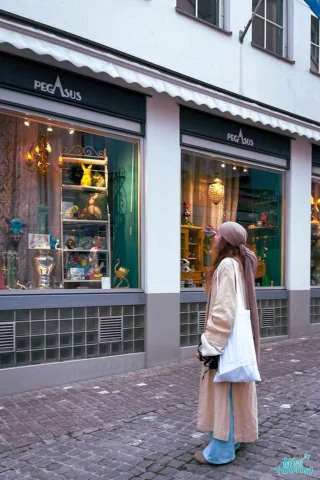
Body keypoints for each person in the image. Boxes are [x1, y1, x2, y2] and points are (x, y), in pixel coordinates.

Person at [195, 221, 260, 465]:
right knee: (233, 391)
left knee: (223, 393)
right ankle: (234, 438)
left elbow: (224, 310)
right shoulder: (240, 264)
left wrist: (209, 344)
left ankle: (219, 451)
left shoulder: (226, 265)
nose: (213, 239)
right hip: (237, 342)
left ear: (226, 241)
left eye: (216, 235)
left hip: (226, 343)